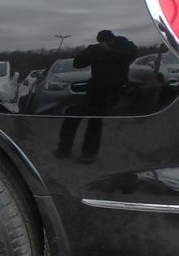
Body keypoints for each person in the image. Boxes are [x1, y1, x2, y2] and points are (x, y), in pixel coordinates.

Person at [55, 30, 137, 163]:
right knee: (73, 115)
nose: (104, 45)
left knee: (95, 120)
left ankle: (89, 154)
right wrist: (86, 52)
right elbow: (77, 64)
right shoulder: (96, 50)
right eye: (101, 43)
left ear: (113, 40)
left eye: (108, 42)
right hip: (95, 89)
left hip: (113, 90)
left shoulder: (124, 46)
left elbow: (131, 56)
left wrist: (109, 51)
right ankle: (64, 149)